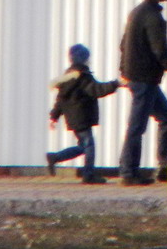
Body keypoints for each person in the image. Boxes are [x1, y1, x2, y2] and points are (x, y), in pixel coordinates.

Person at [118, 0, 167, 186]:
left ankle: (163, 168)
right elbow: (160, 50)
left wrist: (123, 71)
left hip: (139, 78)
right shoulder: (152, 16)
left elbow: (123, 44)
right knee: (137, 126)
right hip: (144, 80)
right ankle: (128, 172)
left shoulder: (137, 12)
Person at [46, 44, 121, 184]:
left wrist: (54, 117)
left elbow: (61, 99)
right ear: (83, 59)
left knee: (83, 146)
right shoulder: (82, 76)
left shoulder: (68, 77)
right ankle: (89, 175)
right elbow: (96, 90)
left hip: (74, 118)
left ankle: (55, 157)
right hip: (82, 116)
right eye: (87, 58)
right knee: (89, 145)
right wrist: (115, 84)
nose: (89, 60)